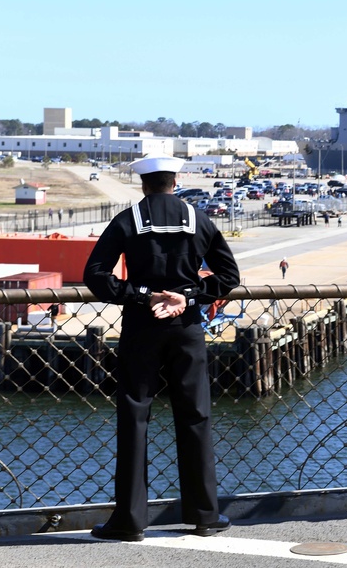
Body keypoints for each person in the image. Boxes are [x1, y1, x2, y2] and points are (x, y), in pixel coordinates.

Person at [83, 153, 240, 541]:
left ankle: (129, 520)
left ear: (143, 184)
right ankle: (205, 515)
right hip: (187, 326)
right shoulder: (198, 219)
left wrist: (141, 294)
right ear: (176, 180)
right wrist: (188, 296)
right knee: (195, 415)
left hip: (142, 325)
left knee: (135, 416)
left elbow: (95, 275)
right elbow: (228, 275)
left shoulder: (128, 220)